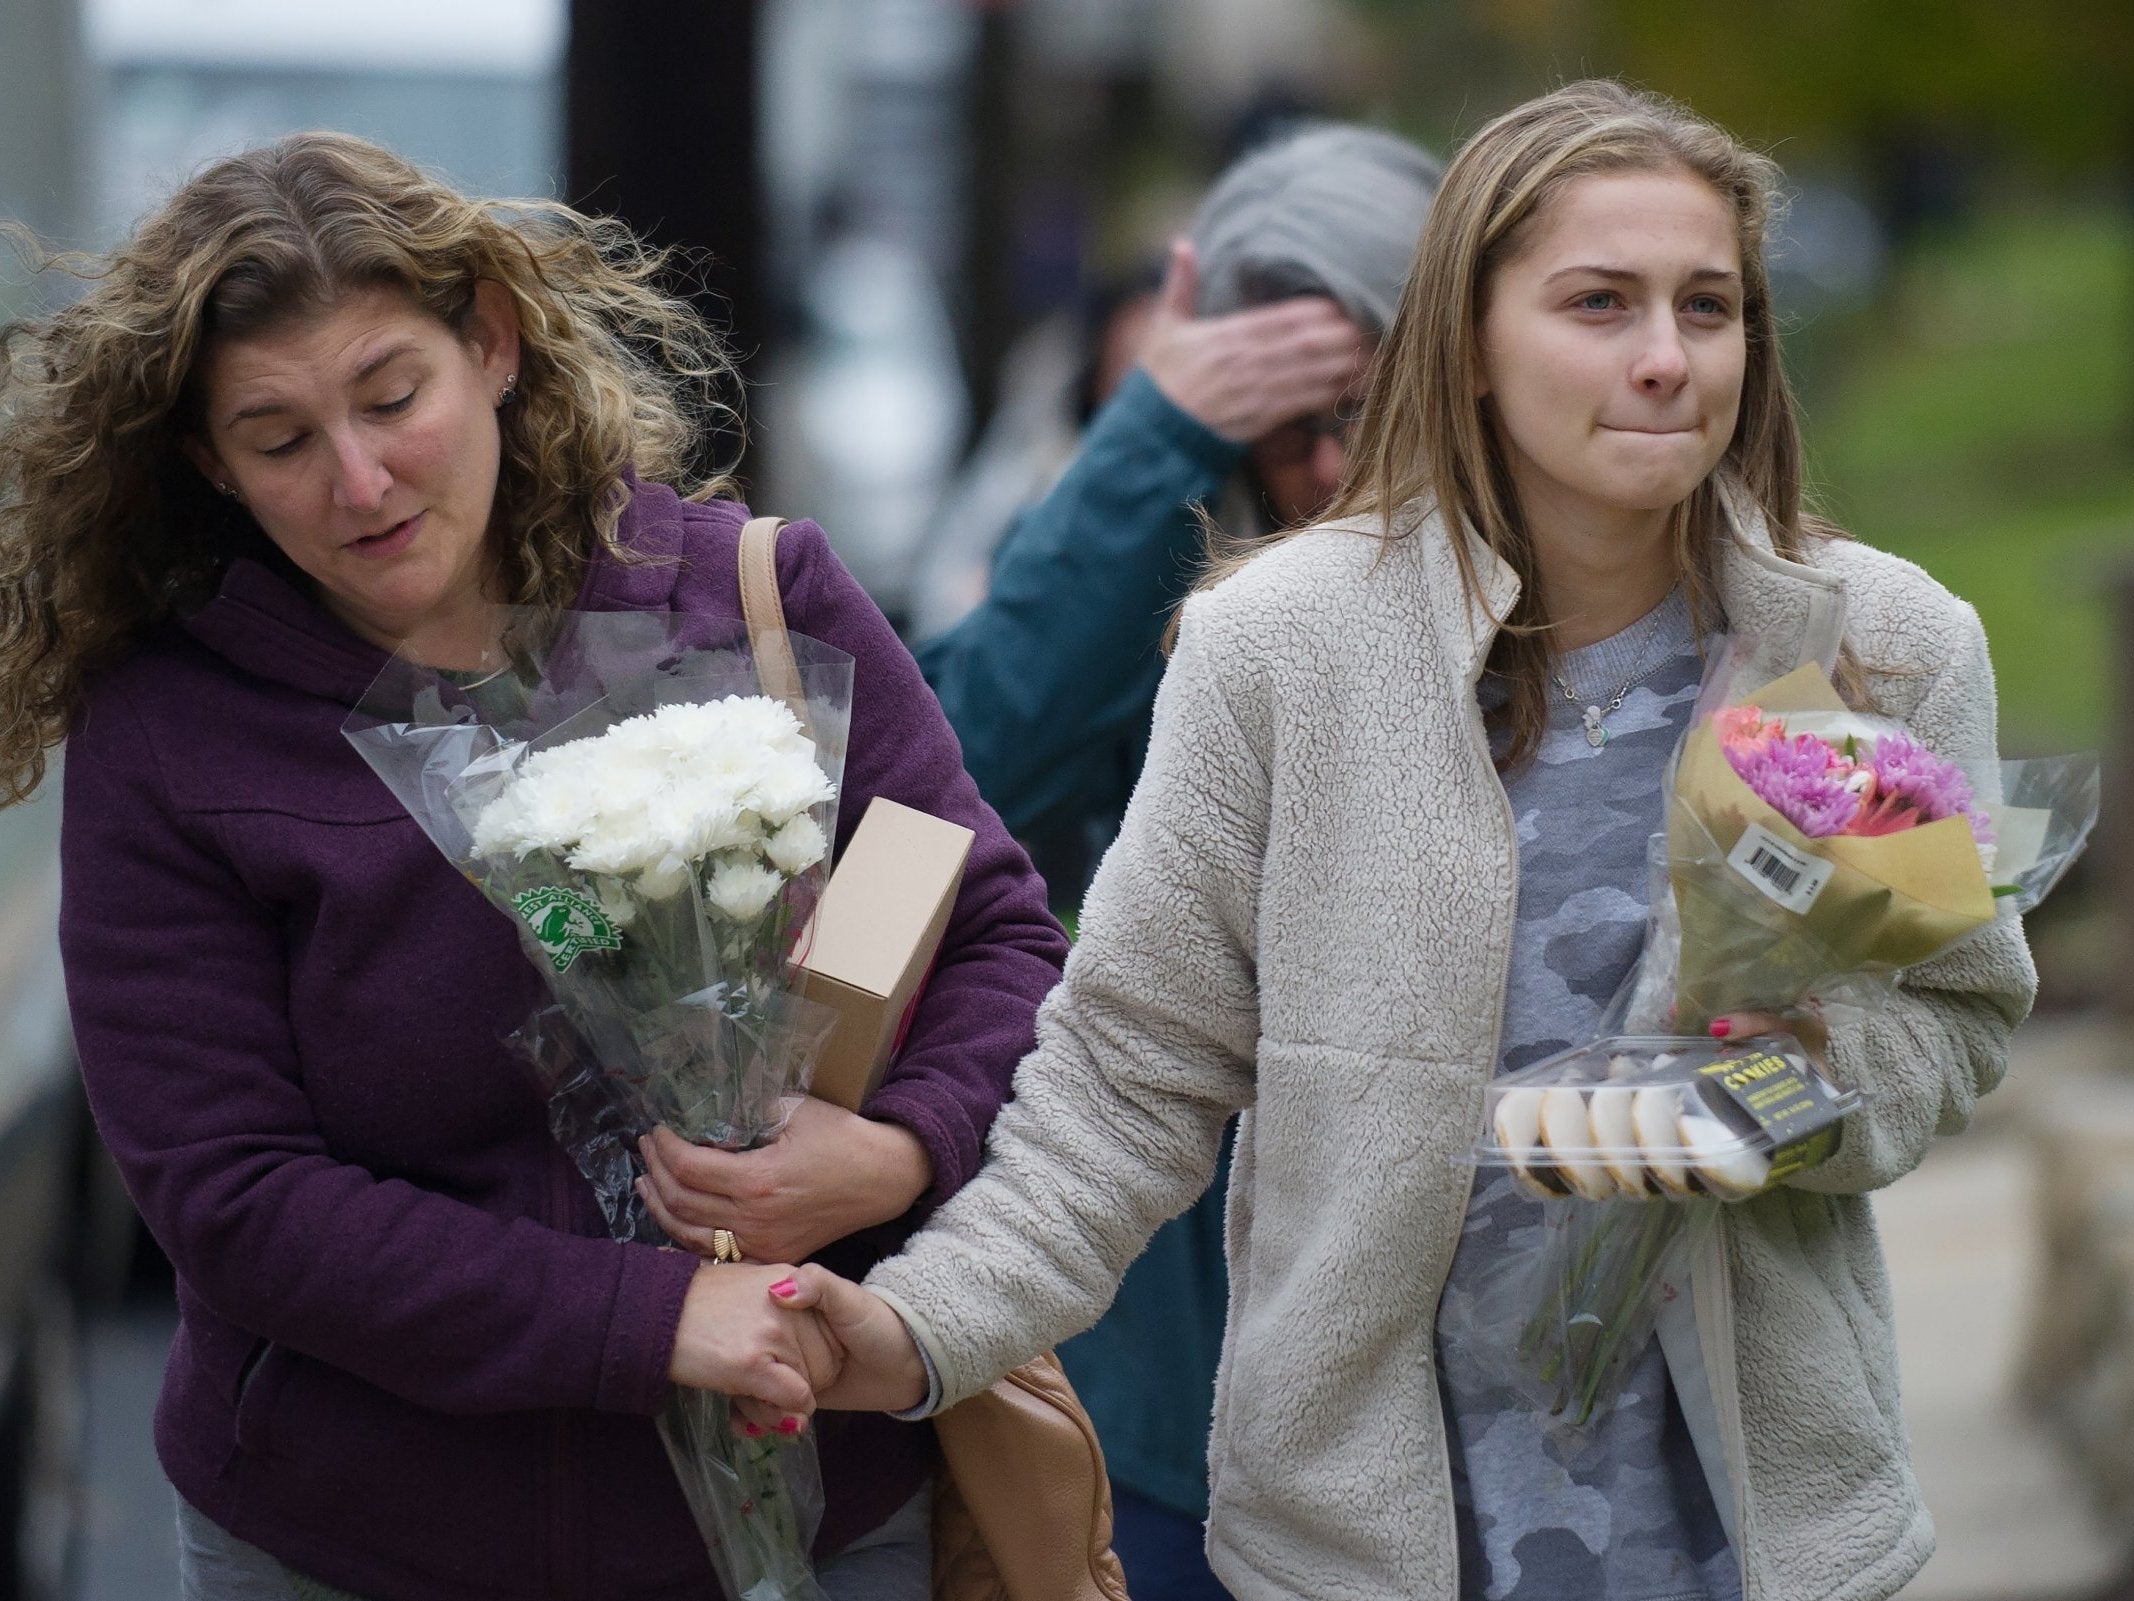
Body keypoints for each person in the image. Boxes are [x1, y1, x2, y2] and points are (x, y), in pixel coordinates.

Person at [754, 80, 2038, 1601]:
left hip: (1757, 1540)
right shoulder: (1276, 648)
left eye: (1708, 307)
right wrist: (918, 1325)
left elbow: (1945, 1017)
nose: (1661, 358)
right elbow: (1126, 1077)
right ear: (1467, 341)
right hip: (1355, 1547)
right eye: (1596, 302)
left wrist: (1778, 1089)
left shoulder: (1866, 648)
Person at [0, 132, 1067, 1600]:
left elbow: (997, 936)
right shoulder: (176, 731)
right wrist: (648, 1321)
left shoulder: (750, 602)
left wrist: (895, 1152)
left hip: (819, 1510)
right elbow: (237, 1199)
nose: (360, 479)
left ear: (490, 345)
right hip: (353, 1545)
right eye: (280, 438)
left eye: (393, 396)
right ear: (208, 464)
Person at [913, 123, 1441, 1600]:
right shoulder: (1163, 574)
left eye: (1363, 404)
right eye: (1279, 422)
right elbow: (953, 787)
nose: (1332, 466)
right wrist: (1158, 443)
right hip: (1173, 1400)